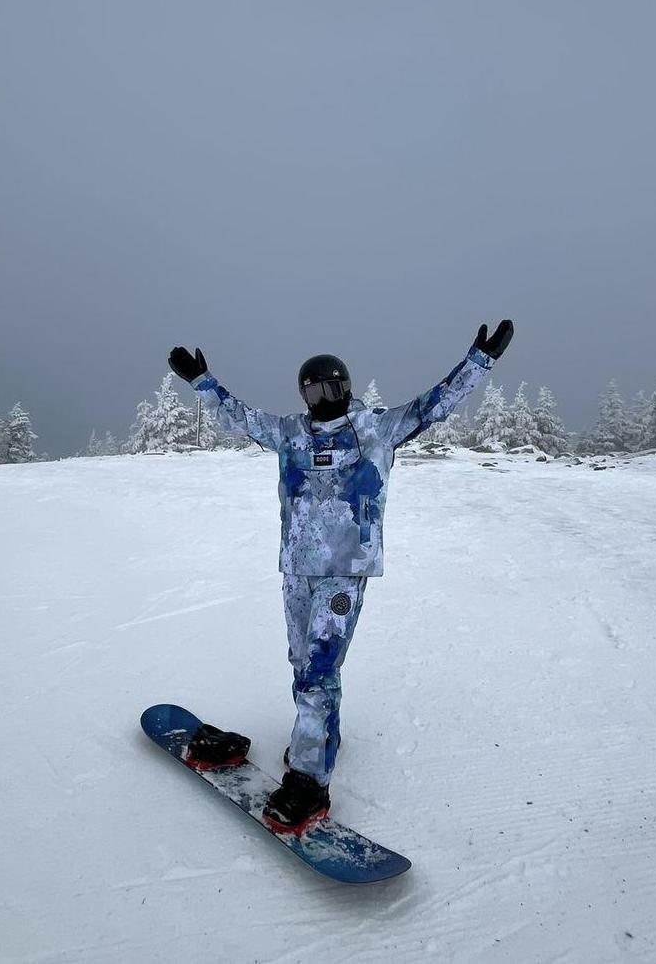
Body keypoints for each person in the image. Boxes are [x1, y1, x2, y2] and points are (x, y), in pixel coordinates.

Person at [168, 319, 514, 833]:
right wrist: (203, 382)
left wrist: (478, 361)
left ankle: (309, 781)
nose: (319, 395)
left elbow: (434, 405)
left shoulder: (376, 429)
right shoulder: (290, 433)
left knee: (317, 673)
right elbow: (241, 419)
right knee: (301, 663)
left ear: (346, 387)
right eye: (310, 387)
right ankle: (320, 736)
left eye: (328, 386)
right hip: (297, 569)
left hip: (343, 574)